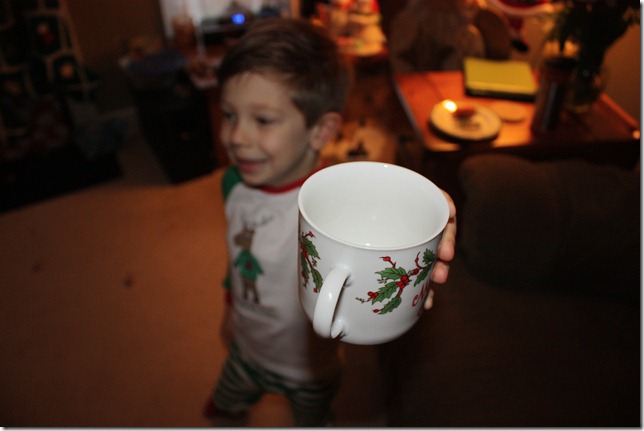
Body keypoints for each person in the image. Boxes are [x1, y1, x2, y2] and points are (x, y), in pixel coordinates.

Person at [202, 17, 457, 426]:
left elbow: (384, 202)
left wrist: (432, 205)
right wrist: (230, 305)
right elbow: (237, 255)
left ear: (321, 131)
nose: (236, 137)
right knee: (227, 400)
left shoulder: (334, 205)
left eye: (262, 120)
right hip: (245, 350)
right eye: (230, 115)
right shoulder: (233, 183)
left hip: (309, 369)